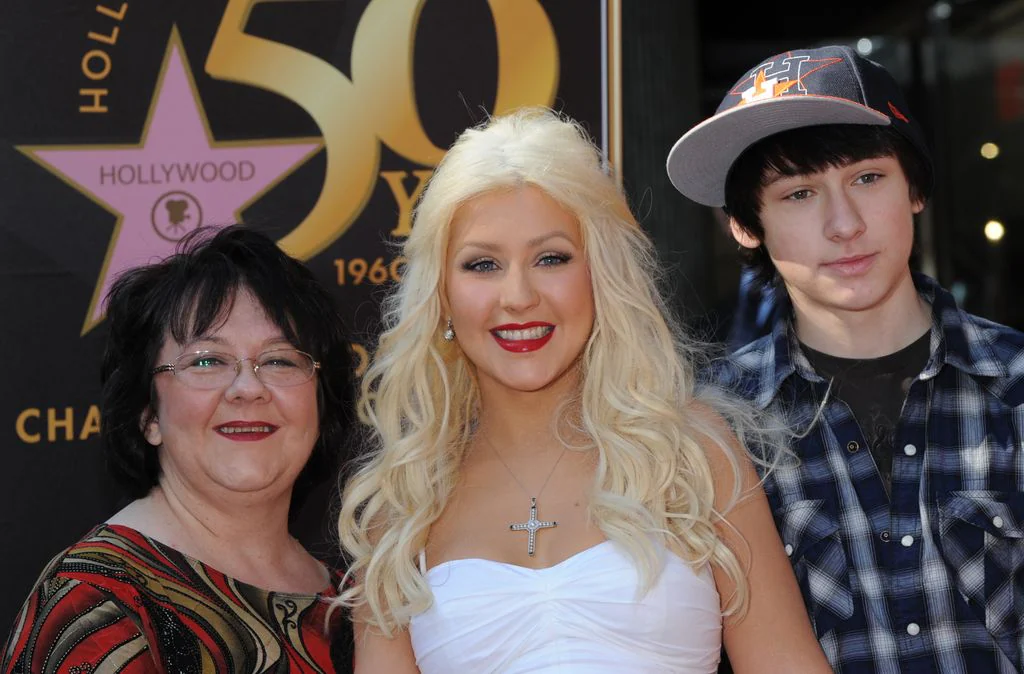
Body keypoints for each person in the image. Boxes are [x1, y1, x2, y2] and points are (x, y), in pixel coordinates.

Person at [334, 106, 831, 673]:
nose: (518, 296)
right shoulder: (404, 507)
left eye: (551, 258)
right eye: (482, 265)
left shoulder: (692, 453)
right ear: (441, 294)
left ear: (601, 274)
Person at [667, 44, 1024, 673]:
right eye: (799, 193)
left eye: (866, 178)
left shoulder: (1016, 383)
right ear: (746, 227)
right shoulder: (713, 424)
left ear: (914, 188)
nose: (844, 224)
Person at [2, 225, 356, 673]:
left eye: (279, 360)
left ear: (321, 404)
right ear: (148, 414)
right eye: (207, 361)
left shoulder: (357, 605)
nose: (249, 388)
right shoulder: (95, 606)